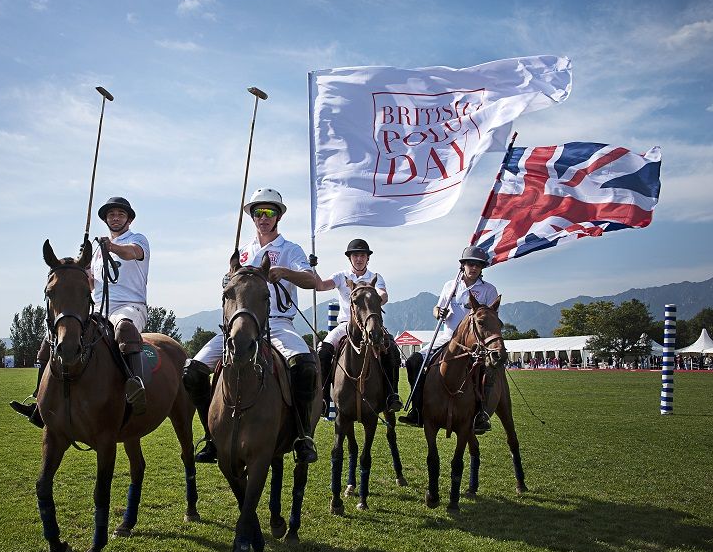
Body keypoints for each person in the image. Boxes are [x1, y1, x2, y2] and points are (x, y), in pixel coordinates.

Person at [182, 187, 320, 465]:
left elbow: (312, 280)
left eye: (269, 212)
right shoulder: (243, 252)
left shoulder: (290, 249)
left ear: (278, 217)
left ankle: (303, 435)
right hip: (240, 324)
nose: (263, 217)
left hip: (278, 323)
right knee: (192, 371)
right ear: (253, 217)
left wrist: (285, 272)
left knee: (305, 365)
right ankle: (211, 436)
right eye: (258, 213)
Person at [10, 196, 150, 424]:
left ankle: (136, 391)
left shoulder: (137, 239)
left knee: (124, 328)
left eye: (120, 214)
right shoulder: (96, 252)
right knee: (52, 337)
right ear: (106, 219)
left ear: (129, 219)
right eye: (111, 214)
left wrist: (110, 247)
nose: (115, 217)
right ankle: (39, 401)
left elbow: (131, 253)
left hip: (129, 305)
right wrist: (80, 266)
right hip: (99, 309)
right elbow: (90, 283)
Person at [400, 245, 499, 434]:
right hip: (447, 336)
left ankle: (481, 414)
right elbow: (436, 309)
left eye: (478, 265)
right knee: (414, 362)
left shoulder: (489, 290)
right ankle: (418, 409)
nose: (474, 268)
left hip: (474, 342)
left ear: (482, 268)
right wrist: (440, 312)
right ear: (463, 265)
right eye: (470, 264)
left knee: (486, 370)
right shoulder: (450, 285)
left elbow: (491, 319)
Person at [314, 238, 402, 413]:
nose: (359, 259)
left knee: (391, 349)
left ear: (368, 258)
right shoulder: (341, 276)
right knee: (323, 350)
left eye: (362, 255)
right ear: (350, 258)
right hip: (346, 325)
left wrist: (376, 298)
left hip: (370, 322)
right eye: (355, 255)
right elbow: (320, 286)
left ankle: (392, 395)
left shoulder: (375, 277)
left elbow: (384, 295)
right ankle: (323, 398)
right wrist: (312, 268)